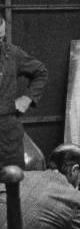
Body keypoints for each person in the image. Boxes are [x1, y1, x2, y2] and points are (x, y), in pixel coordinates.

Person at [0, 15, 48, 168]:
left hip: (7, 133)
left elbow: (41, 72)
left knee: (13, 177)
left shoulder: (12, 54)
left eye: (1, 38)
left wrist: (27, 98)